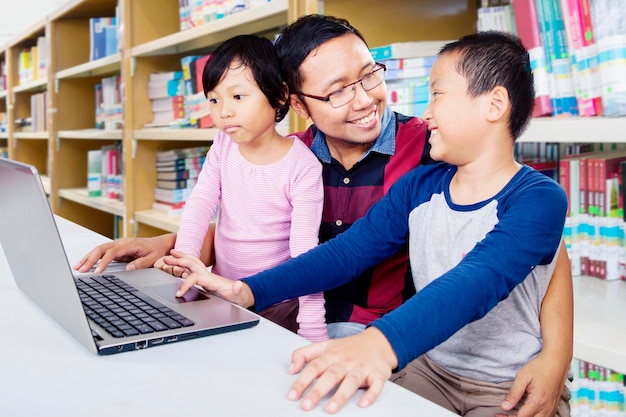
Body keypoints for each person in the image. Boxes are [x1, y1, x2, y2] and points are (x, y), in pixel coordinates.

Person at [74, 15, 572, 417]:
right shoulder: (292, 157)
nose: (363, 99)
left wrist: (557, 357)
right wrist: (175, 248)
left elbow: (526, 258)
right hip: (314, 330)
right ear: (294, 102)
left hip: (396, 337)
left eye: (369, 74)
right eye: (336, 91)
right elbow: (275, 233)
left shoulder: (432, 152)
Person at [154, 34, 327, 342]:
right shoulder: (223, 145)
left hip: (275, 303)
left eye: (237, 97)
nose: (224, 112)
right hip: (217, 289)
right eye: (214, 99)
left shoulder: (303, 166)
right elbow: (201, 201)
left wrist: (313, 331)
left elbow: (305, 255)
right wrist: (183, 258)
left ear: (279, 95)